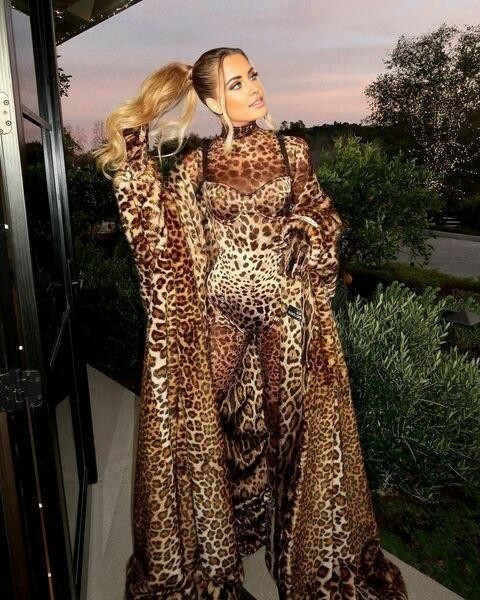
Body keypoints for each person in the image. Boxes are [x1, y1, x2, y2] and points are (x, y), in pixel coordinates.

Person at [95, 47, 408, 600]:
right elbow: (162, 237)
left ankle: (309, 562)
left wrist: (311, 229)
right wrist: (136, 148)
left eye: (253, 75)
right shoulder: (197, 165)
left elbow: (324, 214)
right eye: (237, 83)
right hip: (220, 313)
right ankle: (208, 561)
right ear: (215, 102)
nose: (254, 88)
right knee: (198, 422)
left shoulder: (292, 151)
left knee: (297, 436)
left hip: (285, 313)